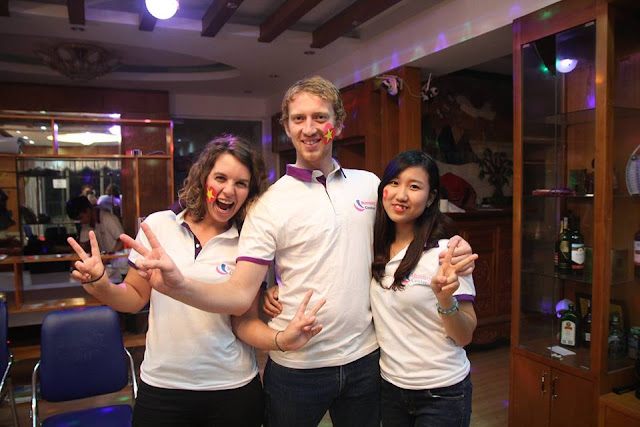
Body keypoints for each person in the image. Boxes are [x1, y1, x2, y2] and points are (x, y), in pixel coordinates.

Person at [124, 76, 475, 427]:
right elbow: (240, 294)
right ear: (287, 127)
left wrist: (454, 246)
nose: (310, 128)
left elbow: (410, 228)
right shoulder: (267, 204)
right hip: (297, 367)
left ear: (338, 124)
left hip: (365, 362)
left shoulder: (370, 186)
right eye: (299, 118)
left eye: (320, 117)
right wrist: (180, 285)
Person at [67, 135, 325, 427]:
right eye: (220, 178)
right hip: (163, 387)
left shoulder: (250, 241)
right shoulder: (159, 225)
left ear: (250, 192)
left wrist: (281, 340)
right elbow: (134, 297)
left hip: (232, 388)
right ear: (204, 179)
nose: (228, 190)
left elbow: (244, 321)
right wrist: (101, 284)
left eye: (241, 183)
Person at [370, 150, 478, 426]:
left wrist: (445, 300)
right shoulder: (373, 246)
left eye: (414, 187)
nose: (401, 195)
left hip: (442, 391)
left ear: (431, 198)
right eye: (394, 183)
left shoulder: (445, 253)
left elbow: (464, 335)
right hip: (390, 388)